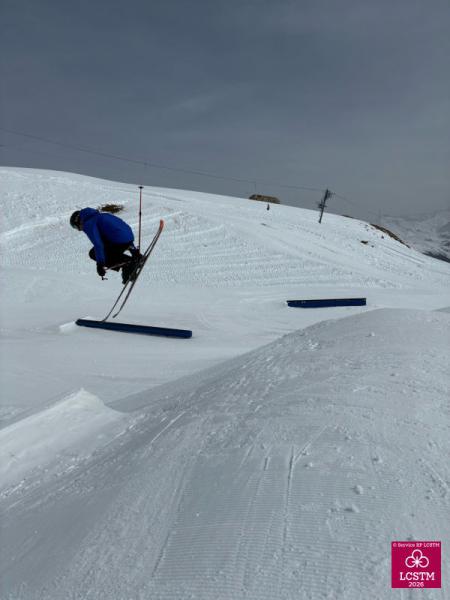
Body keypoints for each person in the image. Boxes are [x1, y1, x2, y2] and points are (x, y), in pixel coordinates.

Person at [70, 208, 142, 284]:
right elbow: (122, 229)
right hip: (128, 238)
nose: (79, 229)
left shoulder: (88, 223)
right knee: (105, 243)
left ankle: (128, 264)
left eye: (76, 227)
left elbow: (98, 244)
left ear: (78, 221)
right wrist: (134, 251)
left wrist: (100, 264)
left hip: (118, 241)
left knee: (93, 253)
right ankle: (135, 258)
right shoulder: (102, 215)